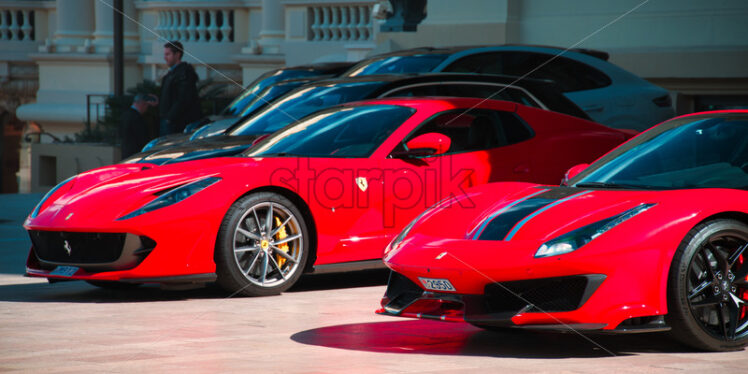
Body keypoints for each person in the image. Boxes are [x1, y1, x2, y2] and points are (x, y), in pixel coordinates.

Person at [159, 41, 202, 136]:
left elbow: (183, 99)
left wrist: (170, 118)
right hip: (169, 121)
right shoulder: (172, 74)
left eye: (168, 54)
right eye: (165, 54)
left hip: (177, 124)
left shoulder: (184, 73)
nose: (165, 57)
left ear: (177, 54)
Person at [121, 94, 157, 158]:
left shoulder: (126, 114)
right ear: (142, 104)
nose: (146, 108)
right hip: (135, 151)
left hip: (127, 150)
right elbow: (142, 136)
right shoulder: (136, 117)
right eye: (146, 105)